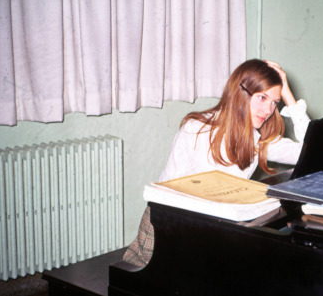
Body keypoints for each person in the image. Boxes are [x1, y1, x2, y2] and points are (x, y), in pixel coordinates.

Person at [123, 59, 311, 266]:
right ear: (241, 93)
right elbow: (166, 196)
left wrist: (289, 98)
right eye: (262, 98)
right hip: (168, 227)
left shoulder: (257, 138)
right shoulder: (197, 129)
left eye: (274, 102)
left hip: (216, 227)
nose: (268, 110)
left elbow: (308, 150)